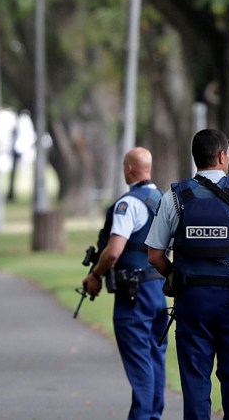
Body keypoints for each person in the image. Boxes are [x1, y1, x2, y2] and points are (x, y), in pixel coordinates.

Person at [146, 129, 229, 420]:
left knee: (195, 384)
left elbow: (155, 254)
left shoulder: (175, 196)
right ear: (222, 156)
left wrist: (177, 277)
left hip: (192, 301)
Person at [83, 147, 168, 420]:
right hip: (158, 289)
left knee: (140, 359)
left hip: (134, 293)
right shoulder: (164, 200)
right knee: (155, 356)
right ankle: (153, 414)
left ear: (129, 169)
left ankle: (142, 416)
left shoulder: (128, 204)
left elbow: (114, 251)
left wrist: (95, 274)